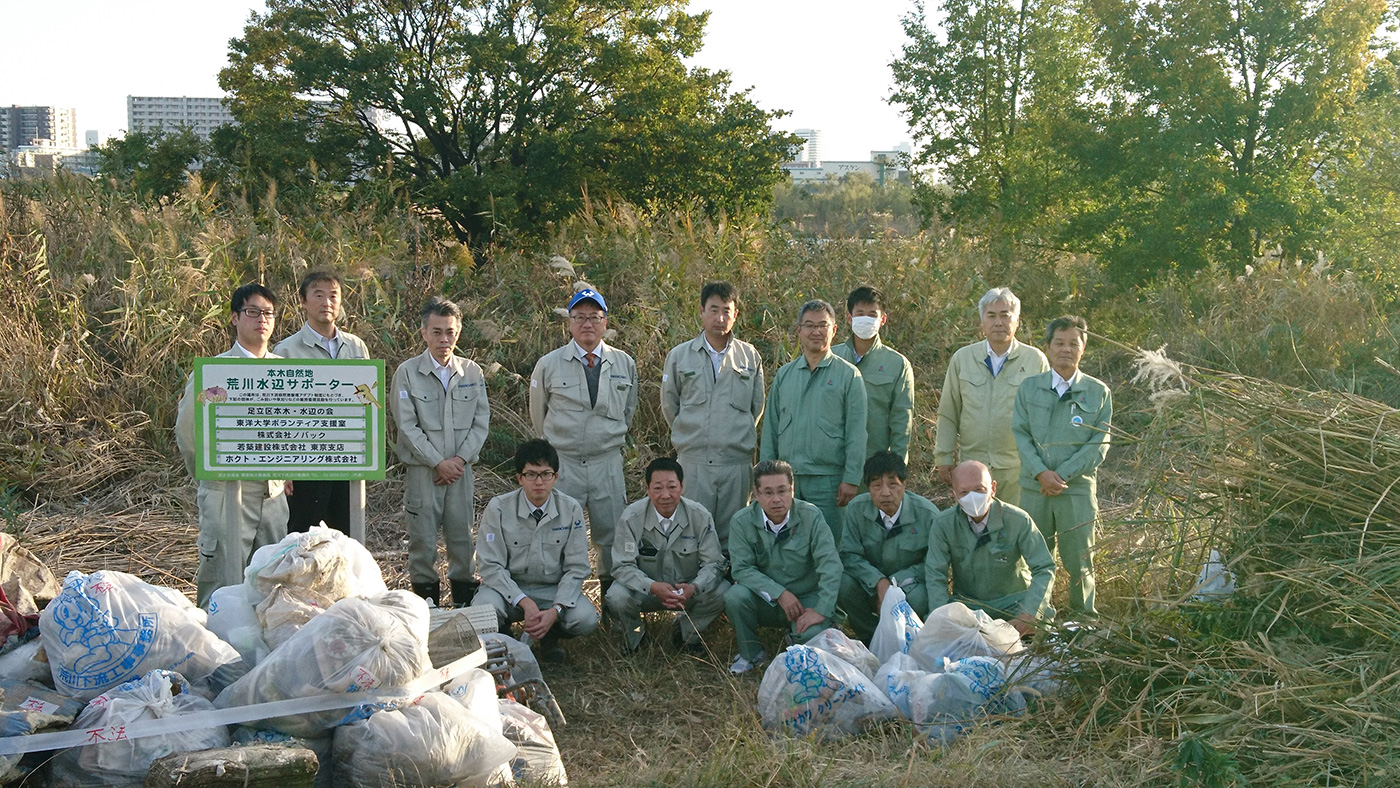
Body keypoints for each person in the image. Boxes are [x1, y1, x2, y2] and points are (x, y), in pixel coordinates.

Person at [175, 283, 289, 607]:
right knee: (222, 583)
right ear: (235, 318)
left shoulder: (287, 371)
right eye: (253, 312)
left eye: (268, 313)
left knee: (273, 582)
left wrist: (286, 474)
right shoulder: (215, 370)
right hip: (226, 492)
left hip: (273, 495)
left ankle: (264, 656)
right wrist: (209, 477)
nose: (262, 320)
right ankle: (218, 654)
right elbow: (188, 432)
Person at [529, 288, 638, 601]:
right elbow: (539, 415)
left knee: (613, 537)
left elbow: (627, 412)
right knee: (560, 533)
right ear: (569, 322)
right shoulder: (548, 365)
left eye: (594, 317)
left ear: (605, 323)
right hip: (565, 463)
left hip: (607, 463)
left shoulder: (624, 363)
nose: (587, 323)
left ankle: (613, 611)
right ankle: (562, 609)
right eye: (580, 317)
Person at [390, 297, 490, 608]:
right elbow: (406, 425)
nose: (444, 339)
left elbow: (480, 422)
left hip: (460, 472)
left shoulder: (472, 373)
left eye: (450, 332)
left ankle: (464, 608)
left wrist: (458, 461)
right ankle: (427, 610)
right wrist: (437, 462)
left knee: (463, 539)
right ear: (423, 333)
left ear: (458, 333)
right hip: (424, 472)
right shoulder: (407, 373)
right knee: (422, 543)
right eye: (436, 332)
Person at [1012, 315, 1112, 619]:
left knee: (1080, 560)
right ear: (1047, 347)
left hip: (1075, 491)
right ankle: (1039, 618)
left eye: (1073, 344)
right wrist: (1041, 473)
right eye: (1059, 343)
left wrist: (1062, 475)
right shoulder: (1029, 388)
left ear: (1083, 349)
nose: (1066, 349)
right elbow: (1020, 434)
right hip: (1034, 489)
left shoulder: (1098, 392)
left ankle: (1083, 620)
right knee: (1035, 559)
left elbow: (1100, 444)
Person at [660, 281, 765, 552]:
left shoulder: (750, 356)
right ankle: (693, 592)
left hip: (735, 464)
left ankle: (727, 592)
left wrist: (733, 437)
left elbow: (756, 407)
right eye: (713, 309)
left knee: (734, 536)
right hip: (694, 463)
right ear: (701, 311)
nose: (720, 318)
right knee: (691, 534)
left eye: (727, 311)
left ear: (735, 314)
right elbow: (670, 405)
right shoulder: (680, 356)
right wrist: (691, 436)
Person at [475, 439, 600, 662]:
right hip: (510, 589)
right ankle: (504, 641)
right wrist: (524, 601)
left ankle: (550, 635)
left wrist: (556, 610)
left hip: (552, 590)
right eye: (531, 474)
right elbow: (490, 566)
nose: (539, 482)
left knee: (585, 618)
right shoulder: (499, 508)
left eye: (546, 474)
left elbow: (577, 567)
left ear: (556, 477)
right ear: (519, 478)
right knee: (483, 608)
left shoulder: (570, 509)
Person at [759, 299, 867, 546]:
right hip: (787, 480)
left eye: (822, 325)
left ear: (834, 330)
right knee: (788, 545)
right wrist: (766, 476)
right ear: (798, 330)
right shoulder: (785, 375)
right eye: (809, 325)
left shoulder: (849, 375)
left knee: (830, 545)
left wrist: (851, 478)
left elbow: (857, 432)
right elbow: (771, 429)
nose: (816, 331)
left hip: (828, 481)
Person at [272, 270, 371, 535]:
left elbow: (367, 402)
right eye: (318, 295)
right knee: (301, 536)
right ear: (303, 301)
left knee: (348, 536)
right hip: (306, 461)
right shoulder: (286, 351)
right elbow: (279, 412)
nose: (326, 302)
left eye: (333, 295)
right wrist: (286, 469)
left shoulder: (356, 347)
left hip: (347, 457)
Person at [724, 460, 843, 674]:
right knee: (735, 596)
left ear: (792, 489)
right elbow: (741, 569)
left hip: (806, 598)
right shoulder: (741, 522)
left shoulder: (811, 516)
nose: (776, 499)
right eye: (768, 493)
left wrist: (821, 609)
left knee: (809, 637)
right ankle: (751, 654)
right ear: (756, 494)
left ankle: (802, 634)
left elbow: (830, 565)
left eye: (782, 491)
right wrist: (779, 593)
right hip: (767, 601)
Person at [934, 287, 1049, 506]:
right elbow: (949, 412)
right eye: (991, 316)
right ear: (982, 322)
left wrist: (1041, 466)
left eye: (1005, 315)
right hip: (973, 469)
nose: (999, 322)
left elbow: (1044, 417)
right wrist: (944, 457)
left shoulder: (1035, 361)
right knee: (975, 532)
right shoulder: (963, 359)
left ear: (1016, 321)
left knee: (1015, 528)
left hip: (1018, 468)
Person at [606, 457, 730, 655]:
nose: (665, 495)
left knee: (724, 591)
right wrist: (652, 586)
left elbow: (714, 564)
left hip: (686, 591)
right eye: (657, 488)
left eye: (672, 487)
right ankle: (636, 636)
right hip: (646, 590)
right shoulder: (631, 517)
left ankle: (686, 635)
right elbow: (622, 566)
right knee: (616, 596)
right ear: (647, 488)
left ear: (682, 486)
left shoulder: (699, 516)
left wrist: (694, 587)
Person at [924, 461, 1056, 634]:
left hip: (1012, 603)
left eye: (979, 489)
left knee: (1042, 614)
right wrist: (942, 617)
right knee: (935, 620)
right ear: (954, 495)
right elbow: (935, 574)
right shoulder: (943, 524)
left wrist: (1029, 614)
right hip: (969, 606)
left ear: (993, 488)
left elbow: (1044, 567)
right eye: (964, 492)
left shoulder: (1018, 520)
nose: (972, 497)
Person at [836, 451, 940, 643]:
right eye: (876, 486)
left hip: (909, 585)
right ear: (868, 488)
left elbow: (933, 563)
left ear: (905, 484)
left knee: (920, 598)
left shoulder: (928, 514)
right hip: (869, 586)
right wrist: (878, 582)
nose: (885, 493)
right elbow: (849, 555)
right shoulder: (856, 509)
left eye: (893, 485)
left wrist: (893, 585)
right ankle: (869, 637)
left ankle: (909, 640)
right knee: (842, 583)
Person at [832, 286, 915, 464]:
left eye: (872, 315)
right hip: (832, 463)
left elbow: (902, 421)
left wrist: (896, 467)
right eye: (860, 314)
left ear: (883, 319)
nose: (865, 319)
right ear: (849, 317)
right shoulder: (831, 358)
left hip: (873, 465)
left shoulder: (897, 364)